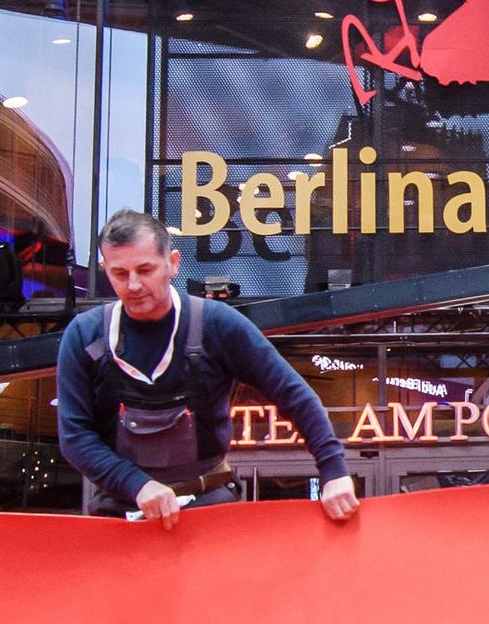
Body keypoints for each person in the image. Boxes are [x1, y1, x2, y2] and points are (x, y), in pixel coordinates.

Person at [57, 209, 358, 529]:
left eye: (145, 270)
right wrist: (138, 485)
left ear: (173, 263)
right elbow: (75, 437)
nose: (133, 285)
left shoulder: (219, 324)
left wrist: (334, 472)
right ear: (105, 269)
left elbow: (294, 395)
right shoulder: (84, 336)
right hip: (120, 514)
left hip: (209, 510)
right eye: (119, 273)